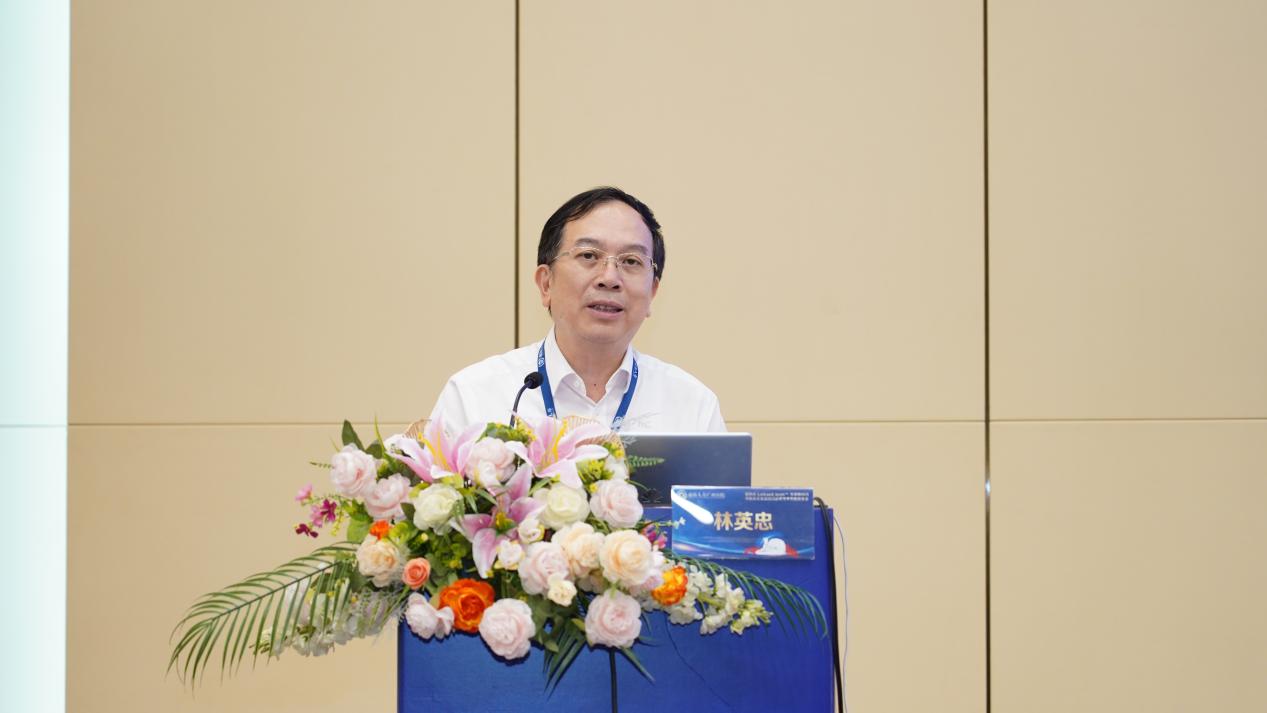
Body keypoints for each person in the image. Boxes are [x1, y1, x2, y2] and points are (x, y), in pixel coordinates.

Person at [430, 186, 725, 433]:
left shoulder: (692, 408)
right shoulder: (474, 398)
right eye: (588, 255)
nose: (609, 278)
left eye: (631, 261)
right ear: (546, 283)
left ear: (652, 293)